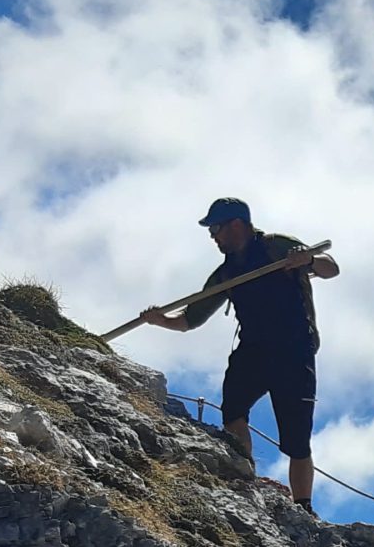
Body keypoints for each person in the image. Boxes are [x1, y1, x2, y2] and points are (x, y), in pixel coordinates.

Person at [138, 197, 338, 512]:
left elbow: (331, 268)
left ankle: (303, 507)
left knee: (297, 438)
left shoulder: (276, 247)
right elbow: (190, 320)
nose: (213, 237)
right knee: (233, 408)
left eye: (215, 229)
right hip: (253, 351)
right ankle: (245, 477)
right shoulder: (226, 274)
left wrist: (307, 262)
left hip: (294, 350)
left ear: (236, 225)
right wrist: (159, 320)